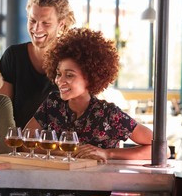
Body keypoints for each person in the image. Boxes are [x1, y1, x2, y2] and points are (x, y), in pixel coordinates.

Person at [25, 27, 153, 162]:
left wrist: (108, 154)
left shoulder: (108, 114)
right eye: (58, 74)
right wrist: (64, 154)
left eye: (69, 75)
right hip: (57, 180)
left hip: (98, 181)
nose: (59, 81)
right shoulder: (52, 104)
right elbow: (24, 143)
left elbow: (160, 149)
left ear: (90, 77)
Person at [0, 0, 76, 128]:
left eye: (46, 23)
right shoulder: (13, 56)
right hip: (18, 144)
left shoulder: (73, 61)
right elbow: (2, 109)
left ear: (61, 25)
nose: (37, 29)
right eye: (32, 21)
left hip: (58, 146)